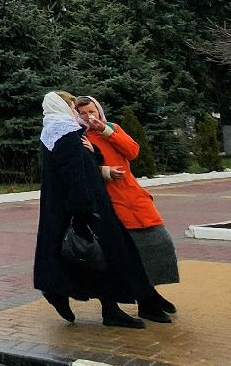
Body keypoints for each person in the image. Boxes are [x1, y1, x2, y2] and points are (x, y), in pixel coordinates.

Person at [31, 91, 163, 328]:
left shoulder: (53, 132)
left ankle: (65, 294)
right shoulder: (67, 133)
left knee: (90, 259)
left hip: (69, 208)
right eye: (72, 106)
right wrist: (84, 211)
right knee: (105, 257)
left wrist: (92, 151)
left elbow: (83, 163)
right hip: (89, 207)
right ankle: (106, 308)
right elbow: (75, 176)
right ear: (62, 107)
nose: (75, 111)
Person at [75, 96, 180, 311]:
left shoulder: (112, 128)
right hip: (112, 200)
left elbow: (132, 151)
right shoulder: (80, 137)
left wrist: (107, 131)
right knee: (134, 249)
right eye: (83, 113)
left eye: (92, 111)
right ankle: (145, 298)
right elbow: (80, 169)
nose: (89, 117)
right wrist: (104, 172)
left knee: (161, 241)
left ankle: (151, 292)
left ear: (99, 110)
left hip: (135, 196)